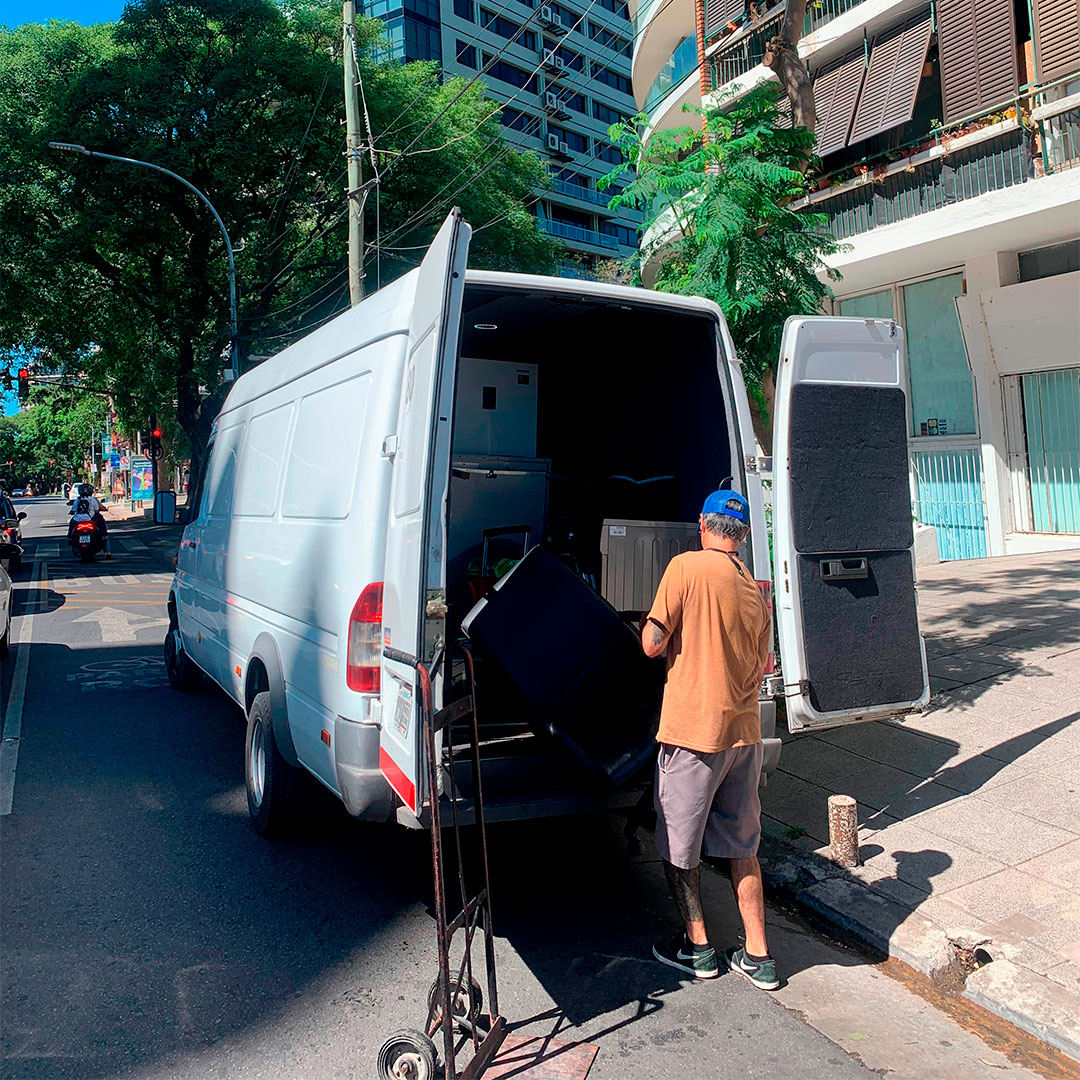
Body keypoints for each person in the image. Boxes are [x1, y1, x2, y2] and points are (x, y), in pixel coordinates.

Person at [641, 488, 775, 988]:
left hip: (694, 732)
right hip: (744, 736)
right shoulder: (755, 589)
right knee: (744, 845)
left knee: (680, 845)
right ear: (739, 535)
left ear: (703, 523)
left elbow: (652, 644)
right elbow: (764, 666)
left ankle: (699, 949)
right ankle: (759, 956)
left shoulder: (686, 568)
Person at [68, 483, 112, 558]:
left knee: (71, 524)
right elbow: (97, 510)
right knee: (101, 522)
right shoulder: (93, 499)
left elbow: (73, 510)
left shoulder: (78, 500)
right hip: (90, 518)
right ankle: (106, 544)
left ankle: (70, 537)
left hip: (77, 519)